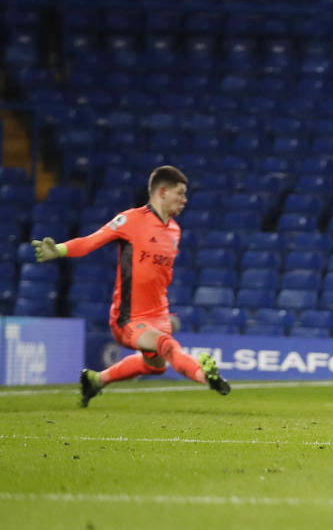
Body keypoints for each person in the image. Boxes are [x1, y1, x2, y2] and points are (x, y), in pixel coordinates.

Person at [29, 165, 230, 407]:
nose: (185, 200)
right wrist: (59, 250)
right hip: (129, 318)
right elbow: (91, 241)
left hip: (158, 314)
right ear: (162, 192)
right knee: (165, 345)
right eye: (180, 193)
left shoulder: (175, 230)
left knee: (155, 366)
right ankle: (207, 377)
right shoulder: (131, 220)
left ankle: (96, 379)